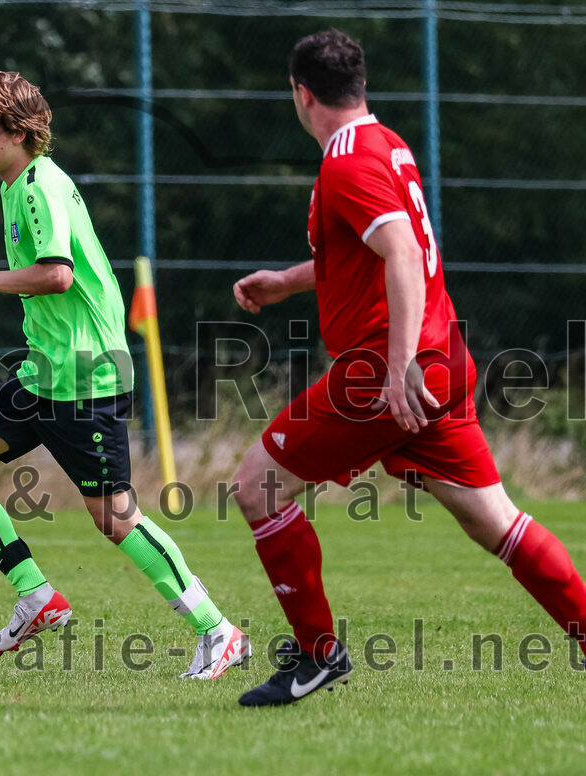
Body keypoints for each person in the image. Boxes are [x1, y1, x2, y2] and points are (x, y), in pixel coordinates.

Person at [231, 29, 586, 706]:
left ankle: (317, 655)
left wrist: (395, 370)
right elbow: (383, 253)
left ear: (302, 95)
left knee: (257, 486)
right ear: (358, 87)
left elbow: (399, 253)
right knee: (496, 521)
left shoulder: (346, 163)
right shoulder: (386, 145)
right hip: (441, 361)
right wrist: (287, 281)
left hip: (388, 370)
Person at [0, 71, 248, 679]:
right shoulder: (15, 184)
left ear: (18, 131)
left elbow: (58, 274)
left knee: (115, 518)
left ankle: (219, 630)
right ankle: (38, 597)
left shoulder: (41, 185)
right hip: (42, 374)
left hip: (83, 378)